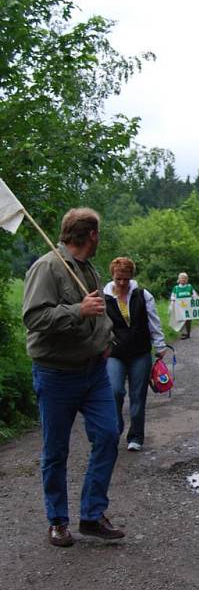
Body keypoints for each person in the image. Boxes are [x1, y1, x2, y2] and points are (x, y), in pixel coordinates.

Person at [22, 208, 125, 547]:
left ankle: (92, 515)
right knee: (56, 450)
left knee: (109, 435)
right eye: (99, 233)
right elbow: (34, 318)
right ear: (91, 235)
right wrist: (76, 310)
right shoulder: (47, 267)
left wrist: (106, 339)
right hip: (56, 375)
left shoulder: (88, 269)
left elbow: (99, 311)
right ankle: (58, 521)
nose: (100, 239)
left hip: (93, 371)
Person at [103, 257, 168, 452]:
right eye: (118, 279)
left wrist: (160, 344)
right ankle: (116, 428)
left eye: (126, 278)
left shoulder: (142, 295)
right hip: (115, 352)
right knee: (115, 391)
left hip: (140, 352)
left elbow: (153, 321)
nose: (122, 283)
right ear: (112, 276)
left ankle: (136, 436)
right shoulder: (104, 297)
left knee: (138, 395)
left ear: (132, 277)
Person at [170, 272, 197, 339]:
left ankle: (188, 333)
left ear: (187, 279)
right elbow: (172, 297)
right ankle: (183, 333)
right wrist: (173, 301)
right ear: (179, 279)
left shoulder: (189, 286)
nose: (183, 279)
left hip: (188, 307)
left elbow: (195, 295)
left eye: (185, 278)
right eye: (182, 278)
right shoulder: (176, 288)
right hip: (179, 308)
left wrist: (194, 298)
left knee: (188, 320)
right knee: (181, 320)